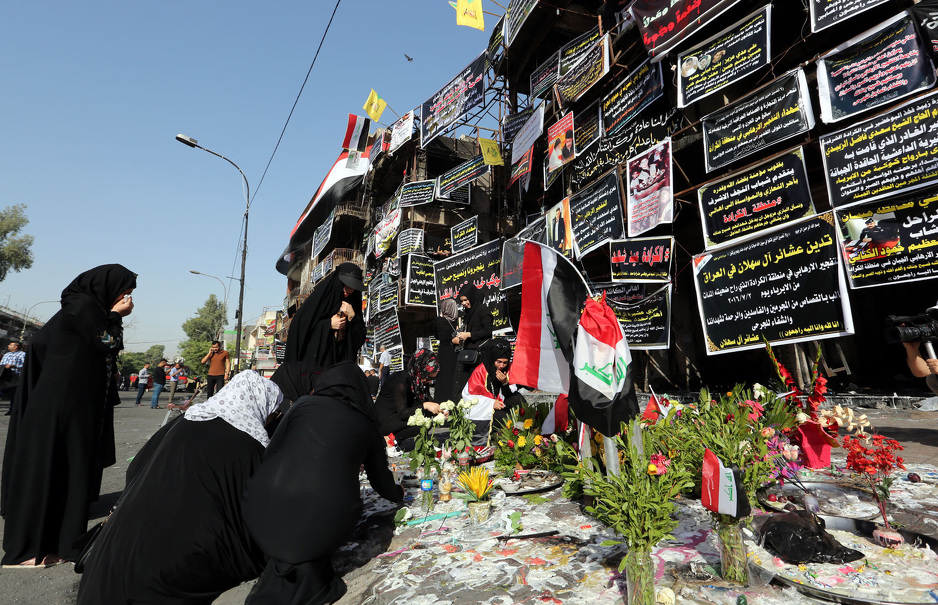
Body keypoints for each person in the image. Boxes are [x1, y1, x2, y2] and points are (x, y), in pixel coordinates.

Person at [75, 372, 284, 604]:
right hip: (171, 569)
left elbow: (135, 469)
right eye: (274, 413)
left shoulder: (188, 420)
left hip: (115, 552)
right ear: (260, 405)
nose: (272, 419)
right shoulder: (251, 447)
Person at [1, 264, 136, 567]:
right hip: (61, 407)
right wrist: (116, 317)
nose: (126, 298)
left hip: (70, 406)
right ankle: (31, 552)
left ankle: (58, 545)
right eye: (124, 291)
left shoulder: (81, 309)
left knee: (67, 474)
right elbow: (108, 343)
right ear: (106, 287)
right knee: (49, 472)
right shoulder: (83, 308)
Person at [242, 362, 403, 605]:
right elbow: (381, 481)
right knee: (322, 510)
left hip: (261, 511)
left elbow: (270, 452)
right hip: (323, 523)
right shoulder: (364, 423)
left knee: (297, 519)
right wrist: (399, 493)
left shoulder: (303, 405)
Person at [284, 262, 366, 368]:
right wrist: (328, 324)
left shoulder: (353, 305)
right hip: (316, 365)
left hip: (340, 365)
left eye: (352, 286)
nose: (348, 289)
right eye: (345, 284)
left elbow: (359, 339)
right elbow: (300, 327)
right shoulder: (321, 300)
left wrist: (353, 317)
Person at [461, 338, 524, 445]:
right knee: (505, 419)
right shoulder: (480, 371)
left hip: (501, 405)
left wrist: (505, 383)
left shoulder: (509, 369)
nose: (501, 366)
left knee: (518, 400)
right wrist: (491, 403)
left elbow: (509, 393)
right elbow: (469, 397)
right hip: (485, 409)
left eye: (505, 362)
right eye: (498, 362)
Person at [375, 349, 443, 449]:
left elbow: (428, 402)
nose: (429, 382)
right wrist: (426, 406)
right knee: (420, 422)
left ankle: (392, 440)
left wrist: (439, 410)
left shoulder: (418, 381)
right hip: (385, 420)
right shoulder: (401, 381)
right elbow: (403, 413)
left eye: (433, 379)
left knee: (426, 420)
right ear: (419, 371)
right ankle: (388, 440)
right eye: (428, 378)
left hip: (397, 417)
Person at [452, 283, 494, 396]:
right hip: (469, 356)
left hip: (480, 356)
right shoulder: (468, 313)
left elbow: (488, 331)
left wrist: (469, 335)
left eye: (466, 299)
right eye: (461, 301)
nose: (464, 303)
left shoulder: (482, 310)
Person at [434, 298, 460, 404]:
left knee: (442, 378)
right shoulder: (455, 322)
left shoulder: (438, 321)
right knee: (452, 378)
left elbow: (436, 335)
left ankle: (441, 402)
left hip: (443, 352)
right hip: (454, 352)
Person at [1, 340, 26, 415]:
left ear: (15, 347)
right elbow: (2, 364)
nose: (8, 346)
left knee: (13, 395)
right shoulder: (6, 354)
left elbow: (25, 365)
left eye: (10, 345)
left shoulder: (22, 355)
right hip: (5, 377)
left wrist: (14, 366)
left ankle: (12, 410)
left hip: (15, 378)